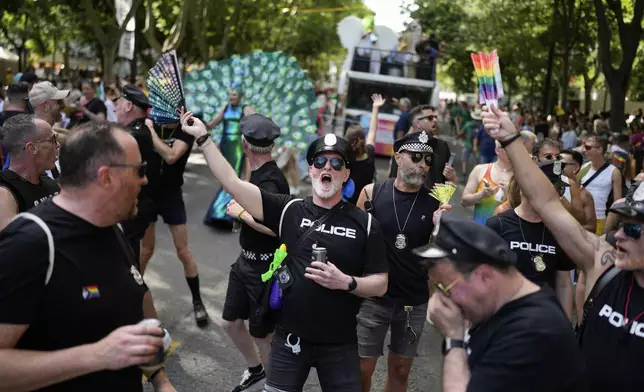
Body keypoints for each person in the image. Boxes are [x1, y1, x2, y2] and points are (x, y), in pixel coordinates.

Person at [180, 110, 388, 392]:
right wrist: (203, 138)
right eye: (320, 162)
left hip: (339, 344)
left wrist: (347, 282)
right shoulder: (290, 209)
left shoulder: (365, 224)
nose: (327, 168)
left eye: (336, 163)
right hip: (290, 340)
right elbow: (233, 183)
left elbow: (380, 284)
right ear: (311, 170)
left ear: (346, 173)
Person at [0, 122, 175, 391]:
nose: (145, 180)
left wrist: (160, 380)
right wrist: (97, 356)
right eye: (139, 170)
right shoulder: (31, 242)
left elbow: (133, 315)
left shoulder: (111, 226)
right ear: (106, 177)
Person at [481, 104, 644, 391]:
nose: (617, 236)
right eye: (620, 226)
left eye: (632, 229)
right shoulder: (603, 265)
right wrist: (510, 139)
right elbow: (547, 203)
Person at [414, 212, 586, 391]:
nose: (441, 299)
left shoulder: (534, 331)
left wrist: (453, 338)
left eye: (445, 288)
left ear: (484, 276)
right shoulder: (496, 310)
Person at [356, 131, 440, 392]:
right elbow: (353, 242)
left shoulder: (436, 203)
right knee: (361, 369)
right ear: (398, 157)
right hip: (373, 298)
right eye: (416, 157)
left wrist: (442, 229)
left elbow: (439, 256)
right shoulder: (371, 193)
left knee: (401, 371)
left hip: (412, 302)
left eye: (427, 160)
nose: (422, 164)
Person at [221, 114, 290, 392]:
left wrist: (242, 213)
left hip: (265, 268)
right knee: (230, 322)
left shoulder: (271, 181)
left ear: (245, 144)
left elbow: (276, 229)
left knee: (262, 335)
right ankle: (255, 370)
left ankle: (273, 386)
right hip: (244, 262)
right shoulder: (257, 172)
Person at [142, 116, 209, 326]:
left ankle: (198, 301)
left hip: (171, 194)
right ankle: (131, 295)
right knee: (145, 250)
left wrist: (150, 132)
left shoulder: (184, 129)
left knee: (183, 251)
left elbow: (171, 156)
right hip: (147, 194)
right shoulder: (146, 122)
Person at [486, 161, 575, 320]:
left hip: (542, 320)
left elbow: (563, 282)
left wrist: (565, 327)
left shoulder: (559, 230)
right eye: (551, 189)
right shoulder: (498, 225)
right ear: (527, 188)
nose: (557, 195)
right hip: (504, 319)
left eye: (559, 189)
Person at [114, 85, 160, 261]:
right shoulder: (138, 130)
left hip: (133, 206)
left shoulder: (134, 135)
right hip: (138, 205)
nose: (115, 107)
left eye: (118, 102)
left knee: (126, 261)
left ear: (128, 106)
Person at [204, 86, 256, 225]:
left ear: (240, 96)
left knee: (232, 176)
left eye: (234, 94)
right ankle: (227, 211)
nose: (231, 97)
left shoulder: (245, 109)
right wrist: (200, 119)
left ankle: (221, 212)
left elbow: (257, 123)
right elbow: (212, 124)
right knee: (225, 175)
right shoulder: (226, 108)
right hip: (225, 143)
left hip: (238, 145)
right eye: (229, 94)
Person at [0, 115, 60, 230]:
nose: (58, 145)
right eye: (52, 139)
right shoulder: (5, 193)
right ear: (32, 148)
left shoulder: (49, 182)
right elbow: (8, 245)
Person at [388, 104, 456, 190]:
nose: (435, 120)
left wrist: (452, 177)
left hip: (433, 201)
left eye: (435, 117)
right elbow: (393, 179)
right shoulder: (402, 146)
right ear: (417, 123)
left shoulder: (442, 146)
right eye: (430, 118)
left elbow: (448, 181)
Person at [578, 134, 623, 235]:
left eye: (588, 147)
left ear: (599, 149)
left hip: (600, 220)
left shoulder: (614, 172)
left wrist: (609, 224)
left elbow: (617, 202)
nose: (584, 150)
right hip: (582, 219)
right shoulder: (583, 167)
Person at [462, 141, 513, 225]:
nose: (511, 152)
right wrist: (481, 195)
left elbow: (527, 209)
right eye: (506, 149)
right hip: (480, 231)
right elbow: (464, 202)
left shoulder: (520, 176)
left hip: (505, 234)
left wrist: (510, 193)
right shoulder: (480, 170)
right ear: (497, 150)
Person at [345, 93, 383, 205]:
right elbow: (372, 131)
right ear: (363, 138)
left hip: (346, 204)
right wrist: (375, 107)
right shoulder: (369, 153)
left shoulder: (345, 158)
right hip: (365, 202)